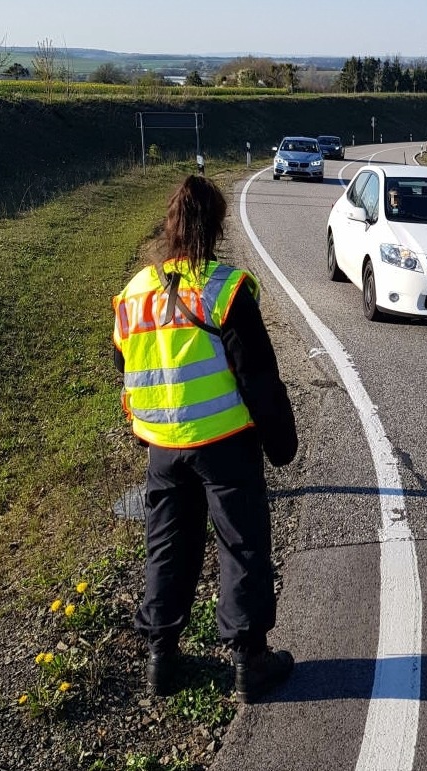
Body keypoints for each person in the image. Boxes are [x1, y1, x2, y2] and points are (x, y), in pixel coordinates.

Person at [112, 175, 298, 701]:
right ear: (216, 225)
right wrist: (282, 443)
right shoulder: (225, 289)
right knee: (240, 545)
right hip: (224, 446)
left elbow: (124, 367)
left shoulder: (135, 293)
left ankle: (160, 658)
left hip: (162, 448)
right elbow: (258, 376)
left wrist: (146, 430)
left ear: (170, 226)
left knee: (167, 545)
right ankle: (249, 661)